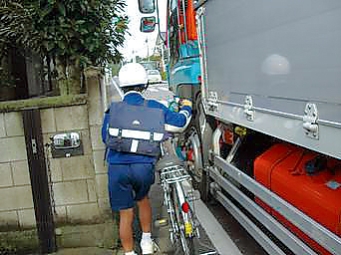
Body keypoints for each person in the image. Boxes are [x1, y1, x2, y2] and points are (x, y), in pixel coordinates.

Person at [101, 63, 192, 255]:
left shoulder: (113, 110)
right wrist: (187, 108)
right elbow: (179, 125)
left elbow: (105, 138)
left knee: (125, 214)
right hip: (143, 166)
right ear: (145, 85)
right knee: (142, 199)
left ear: (122, 85)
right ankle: (147, 243)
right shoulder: (154, 107)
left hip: (118, 168)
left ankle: (128, 253)